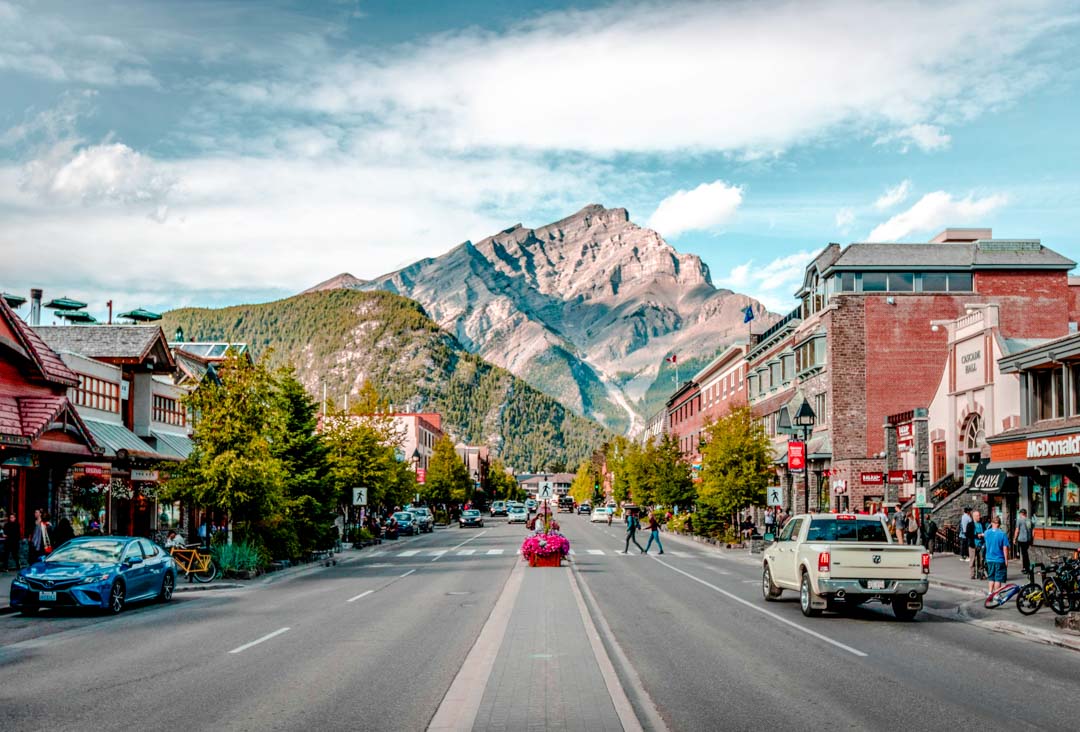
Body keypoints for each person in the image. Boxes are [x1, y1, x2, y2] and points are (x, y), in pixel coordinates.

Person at [983, 515, 1010, 596]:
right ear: (999, 524)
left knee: (991, 577)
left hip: (989, 559)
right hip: (999, 559)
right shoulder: (1002, 534)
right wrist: (1006, 560)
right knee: (998, 579)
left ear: (992, 523)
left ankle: (990, 593)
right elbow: (1005, 548)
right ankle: (996, 595)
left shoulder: (986, 533)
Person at [1013, 508, 1033, 573]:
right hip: (1028, 539)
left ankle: (1025, 568)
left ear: (1021, 514)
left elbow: (1017, 530)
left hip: (1021, 539)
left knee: (1024, 554)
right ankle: (1027, 566)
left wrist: (1014, 538)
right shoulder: (1029, 520)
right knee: (1025, 553)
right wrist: (1031, 539)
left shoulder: (1019, 520)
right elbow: (1031, 530)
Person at [970, 510, 986, 580]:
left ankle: (980, 574)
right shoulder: (970, 524)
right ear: (974, 517)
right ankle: (972, 574)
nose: (979, 517)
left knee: (981, 560)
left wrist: (983, 535)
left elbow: (985, 531)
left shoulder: (982, 524)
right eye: (978, 516)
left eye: (979, 515)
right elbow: (968, 534)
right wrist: (977, 535)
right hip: (973, 545)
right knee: (972, 560)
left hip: (981, 544)